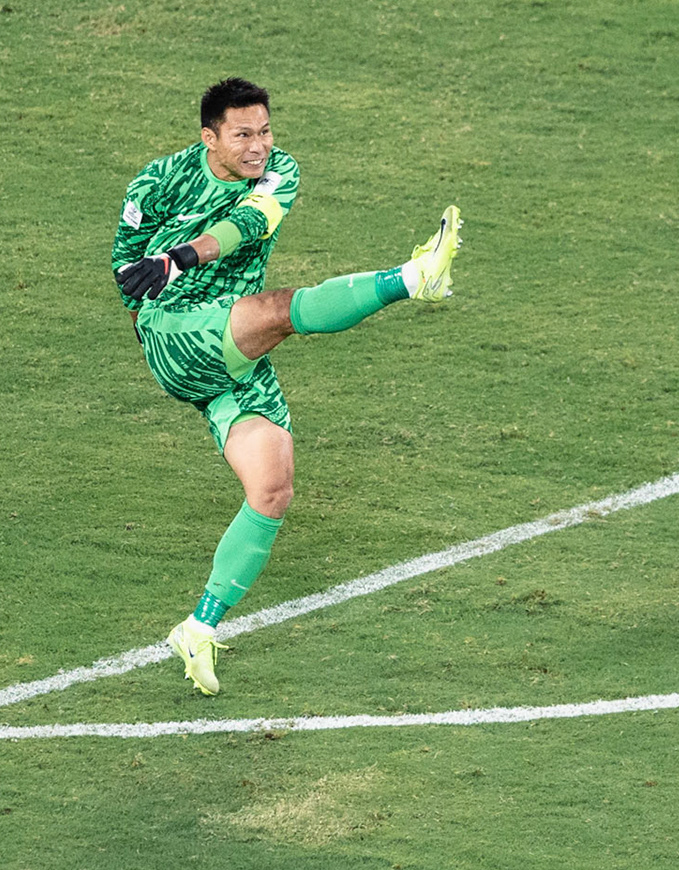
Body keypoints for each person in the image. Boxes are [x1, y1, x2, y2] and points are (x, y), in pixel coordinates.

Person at [113, 77, 462, 695]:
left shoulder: (280, 174)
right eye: (243, 134)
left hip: (228, 345)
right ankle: (413, 279)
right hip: (172, 333)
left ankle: (198, 629)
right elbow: (127, 269)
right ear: (209, 138)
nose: (259, 146)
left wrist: (181, 257)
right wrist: (153, 278)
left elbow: (248, 226)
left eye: (265, 130)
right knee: (278, 310)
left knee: (271, 488)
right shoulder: (155, 183)